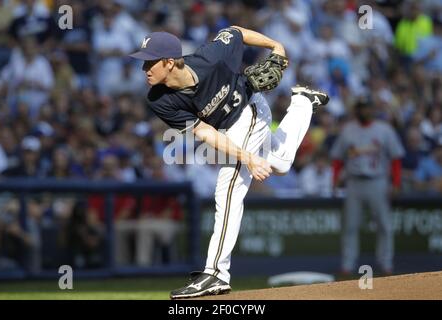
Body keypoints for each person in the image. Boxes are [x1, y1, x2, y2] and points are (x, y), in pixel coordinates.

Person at [129, 27, 329, 299]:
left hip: (249, 109)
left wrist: (276, 45)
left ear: (170, 61)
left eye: (150, 61)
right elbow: (204, 132)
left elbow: (235, 32)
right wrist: (248, 157)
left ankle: (215, 273)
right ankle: (304, 102)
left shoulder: (210, 57)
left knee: (228, 188)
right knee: (279, 163)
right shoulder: (159, 99)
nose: (144, 68)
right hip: (225, 129)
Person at [330, 98, 405, 276]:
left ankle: (386, 264)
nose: (364, 111)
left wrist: (396, 182)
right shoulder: (348, 130)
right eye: (361, 108)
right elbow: (338, 158)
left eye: (367, 108)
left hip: (377, 181)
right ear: (357, 110)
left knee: (384, 225)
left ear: (372, 109)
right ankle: (347, 266)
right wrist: (334, 181)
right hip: (354, 182)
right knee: (350, 226)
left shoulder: (384, 130)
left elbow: (395, 159)